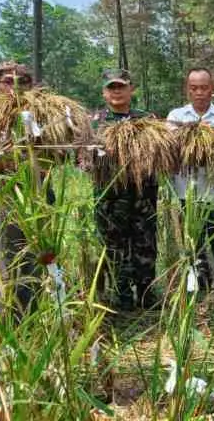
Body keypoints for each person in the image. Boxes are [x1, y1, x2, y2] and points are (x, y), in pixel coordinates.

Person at [167, 67, 214, 297]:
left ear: (212, 89)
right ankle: (198, 283)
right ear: (187, 90)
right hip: (186, 192)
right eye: (194, 88)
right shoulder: (175, 117)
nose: (199, 92)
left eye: (204, 88)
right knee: (192, 243)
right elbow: (170, 152)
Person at [92, 69, 159, 311]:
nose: (117, 91)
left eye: (121, 86)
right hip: (110, 198)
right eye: (111, 87)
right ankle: (122, 297)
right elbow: (82, 156)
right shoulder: (95, 122)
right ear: (104, 92)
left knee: (146, 243)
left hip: (143, 195)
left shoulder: (147, 119)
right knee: (114, 247)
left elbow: (161, 151)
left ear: (131, 89)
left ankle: (147, 293)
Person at [0, 62, 41, 316]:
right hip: (4, 199)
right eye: (8, 81)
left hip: (39, 199)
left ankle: (37, 316)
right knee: (5, 259)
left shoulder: (44, 112)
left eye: (22, 81)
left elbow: (62, 152)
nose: (15, 86)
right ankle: (5, 320)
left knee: (38, 256)